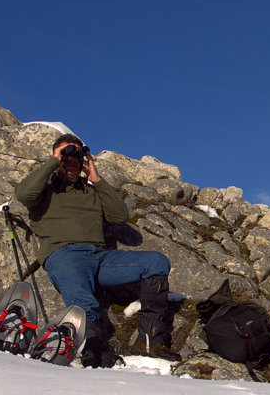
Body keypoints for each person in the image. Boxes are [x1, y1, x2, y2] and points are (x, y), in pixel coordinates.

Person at [14, 133, 177, 367]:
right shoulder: (45, 188)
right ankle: (92, 345)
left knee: (157, 263)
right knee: (83, 299)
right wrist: (54, 161)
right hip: (64, 254)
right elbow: (23, 194)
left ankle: (150, 341)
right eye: (65, 154)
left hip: (100, 257)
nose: (71, 160)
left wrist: (95, 177)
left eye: (76, 155)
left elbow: (120, 215)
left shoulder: (90, 191)